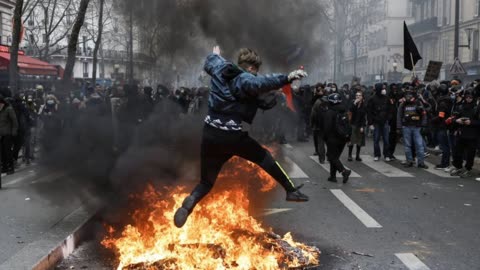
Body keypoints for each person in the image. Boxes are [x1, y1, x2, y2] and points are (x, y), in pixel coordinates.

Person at [173, 46, 309, 228]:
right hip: (232, 137)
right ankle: (291, 190)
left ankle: (189, 203)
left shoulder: (220, 68)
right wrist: (286, 78)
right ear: (251, 68)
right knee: (264, 157)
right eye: (256, 71)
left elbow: (211, 61)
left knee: (206, 181)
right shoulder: (245, 79)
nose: (255, 74)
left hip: (210, 134)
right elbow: (260, 83)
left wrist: (216, 55)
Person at [449, 89, 479, 178]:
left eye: (470, 97)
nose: (468, 99)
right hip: (461, 133)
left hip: (473, 134)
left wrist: (471, 122)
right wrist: (457, 120)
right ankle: (458, 167)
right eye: (467, 97)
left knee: (470, 154)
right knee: (457, 152)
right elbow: (453, 118)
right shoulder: (461, 106)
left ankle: (468, 169)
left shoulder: (477, 108)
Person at [323, 93, 352, 183]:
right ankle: (332, 176)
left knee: (331, 157)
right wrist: (348, 139)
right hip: (343, 138)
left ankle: (344, 171)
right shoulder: (344, 111)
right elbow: (348, 125)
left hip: (332, 139)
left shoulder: (329, 112)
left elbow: (327, 128)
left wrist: (325, 138)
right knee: (335, 157)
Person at [397, 88, 428, 169]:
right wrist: (399, 127)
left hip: (416, 127)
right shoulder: (402, 104)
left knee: (419, 145)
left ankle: (421, 162)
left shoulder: (418, 103)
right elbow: (399, 116)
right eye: (407, 95)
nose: (408, 96)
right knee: (407, 145)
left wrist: (424, 124)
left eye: (410, 94)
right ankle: (409, 161)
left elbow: (424, 114)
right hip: (406, 127)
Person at [367, 83, 392, 161]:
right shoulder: (372, 99)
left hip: (385, 122)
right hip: (376, 122)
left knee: (386, 140)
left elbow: (390, 110)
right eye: (382, 89)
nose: (384, 90)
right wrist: (370, 123)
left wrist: (388, 119)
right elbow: (369, 112)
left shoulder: (387, 98)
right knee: (376, 140)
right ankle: (377, 154)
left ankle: (386, 155)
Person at [0, 96, 18, 174]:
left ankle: (11, 167)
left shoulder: (9, 109)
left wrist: (14, 131)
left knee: (8, 151)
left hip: (8, 133)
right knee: (2, 151)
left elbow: (15, 121)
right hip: (1, 134)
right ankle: (4, 167)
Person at [348, 90, 366, 162]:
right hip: (352, 124)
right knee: (351, 141)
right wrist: (355, 104)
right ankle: (349, 155)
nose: (358, 96)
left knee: (359, 141)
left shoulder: (364, 105)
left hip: (359, 125)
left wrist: (362, 126)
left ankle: (357, 156)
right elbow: (350, 111)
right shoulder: (353, 103)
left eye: (359, 95)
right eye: (357, 95)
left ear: (362, 97)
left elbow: (364, 116)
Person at [310, 84, 327, 163]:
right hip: (327, 125)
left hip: (319, 125)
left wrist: (311, 124)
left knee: (320, 142)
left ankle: (322, 158)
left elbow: (313, 114)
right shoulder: (330, 101)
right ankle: (330, 157)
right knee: (328, 142)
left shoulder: (317, 102)